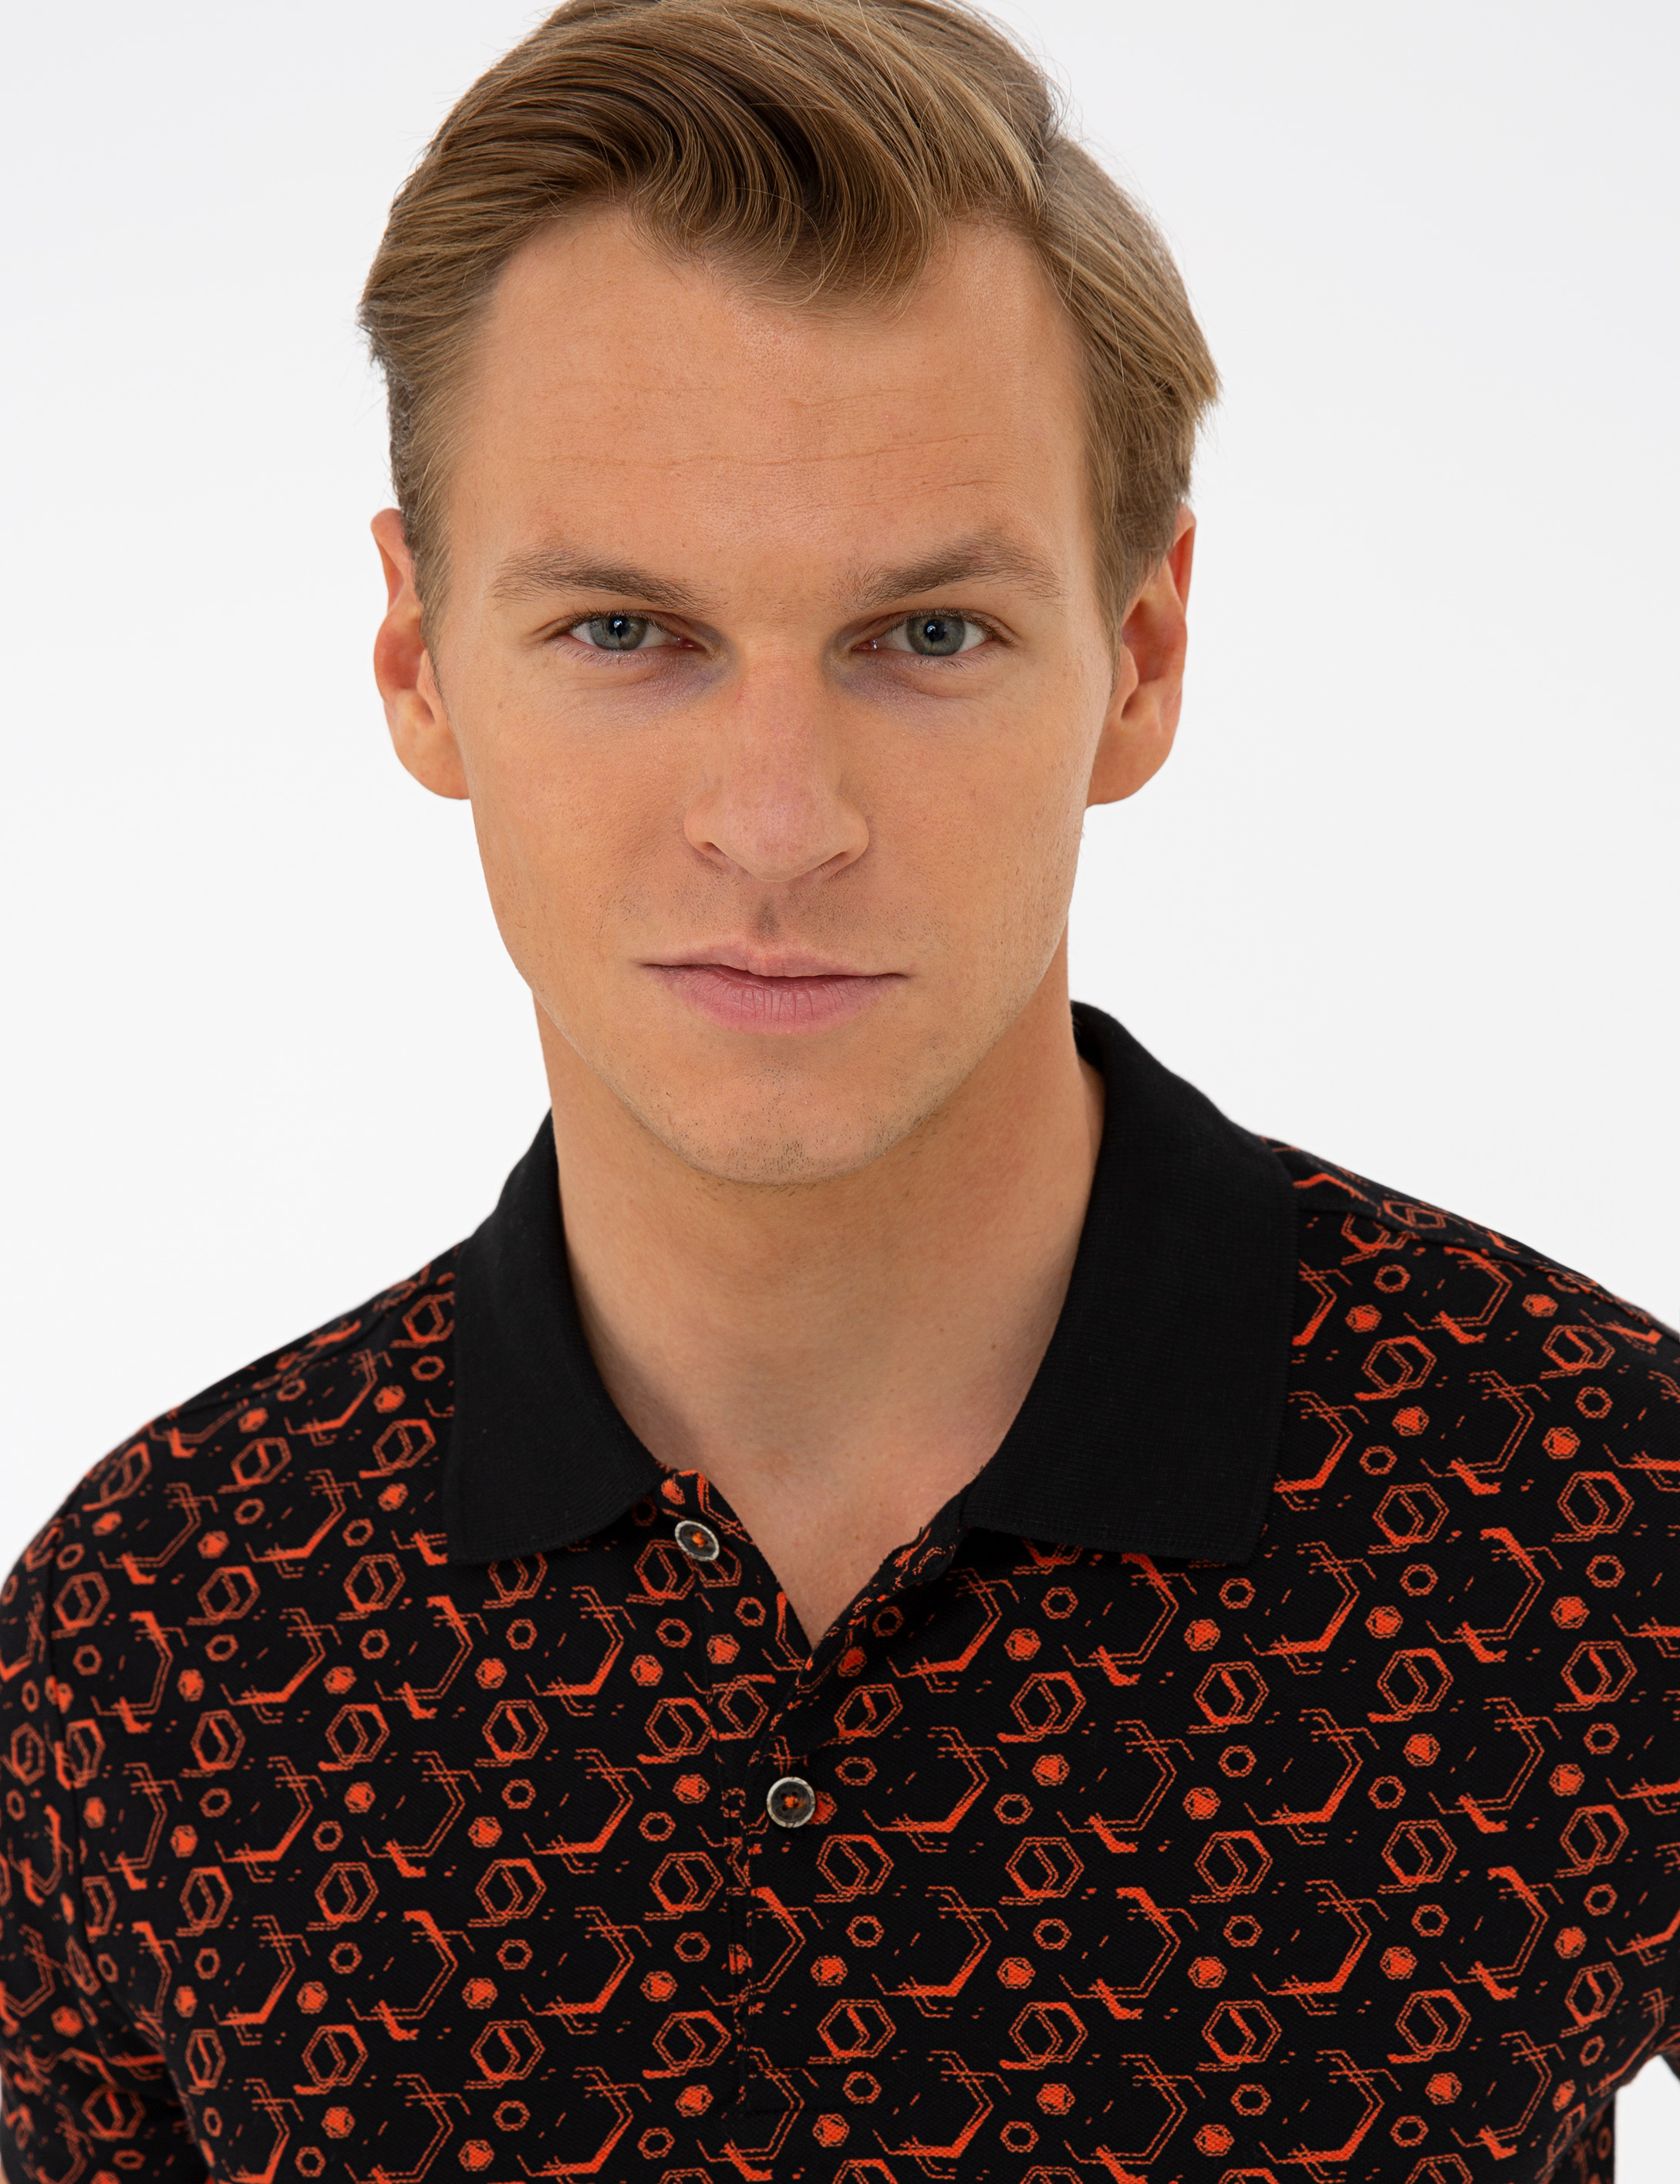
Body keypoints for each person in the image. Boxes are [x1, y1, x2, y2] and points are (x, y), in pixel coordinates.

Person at [0, 2, 1672, 2179]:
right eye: (625, 631)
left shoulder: (1605, 1516)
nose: (776, 824)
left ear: (1140, 656)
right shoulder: (155, 1636)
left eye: (928, 635)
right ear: (419, 663)